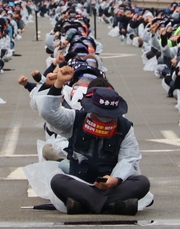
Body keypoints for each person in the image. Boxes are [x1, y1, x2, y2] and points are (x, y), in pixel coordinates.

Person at [40, 66, 150, 215]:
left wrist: (115, 179)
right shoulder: (76, 119)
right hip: (79, 182)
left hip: (110, 183)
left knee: (142, 183)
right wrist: (58, 83)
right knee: (57, 180)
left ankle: (84, 204)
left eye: (108, 116)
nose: (104, 119)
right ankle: (111, 205)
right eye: (100, 115)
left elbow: (129, 159)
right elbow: (49, 113)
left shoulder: (124, 128)